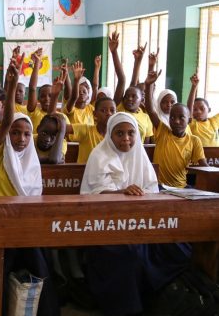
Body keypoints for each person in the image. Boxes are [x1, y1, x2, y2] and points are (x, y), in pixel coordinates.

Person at [0, 60, 58, 316]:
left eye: (26, 134)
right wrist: (10, 84)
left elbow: (33, 199)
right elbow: (6, 121)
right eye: (15, 133)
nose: (20, 139)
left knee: (40, 263)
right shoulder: (0, 152)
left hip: (24, 223)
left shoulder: (31, 162)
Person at [80, 112, 191, 316]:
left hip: (141, 221)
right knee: (129, 253)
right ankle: (127, 307)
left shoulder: (139, 154)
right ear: (110, 136)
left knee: (179, 247)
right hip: (105, 224)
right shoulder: (99, 155)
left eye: (131, 133)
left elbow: (151, 189)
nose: (126, 139)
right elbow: (93, 193)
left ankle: (155, 298)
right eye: (119, 134)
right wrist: (120, 192)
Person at [144, 65, 207, 188]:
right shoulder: (163, 131)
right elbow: (150, 110)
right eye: (172, 118)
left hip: (182, 187)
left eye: (181, 118)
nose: (176, 121)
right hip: (160, 186)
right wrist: (148, 85)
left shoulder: (194, 141)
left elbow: (204, 165)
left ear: (189, 119)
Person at [110, 33, 153, 142]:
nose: (129, 99)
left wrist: (138, 60)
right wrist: (114, 52)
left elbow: (146, 144)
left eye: (134, 97)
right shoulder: (120, 109)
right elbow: (122, 79)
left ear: (141, 100)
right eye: (127, 96)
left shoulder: (145, 117)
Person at [187, 70, 219, 146]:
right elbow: (189, 109)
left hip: (216, 156)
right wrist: (194, 87)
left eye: (202, 108)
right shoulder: (193, 123)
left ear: (209, 110)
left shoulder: (213, 121)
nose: (198, 111)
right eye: (194, 109)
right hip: (199, 157)